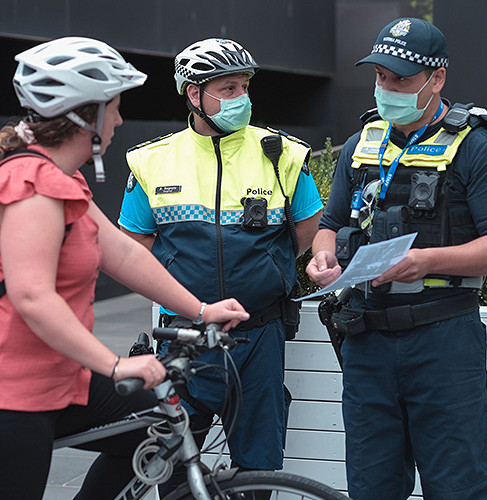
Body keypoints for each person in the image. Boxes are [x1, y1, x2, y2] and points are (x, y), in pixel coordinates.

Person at [0, 36, 250, 500]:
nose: (119, 119)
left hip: (56, 377)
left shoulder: (62, 177)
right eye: (114, 108)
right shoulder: (29, 186)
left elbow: (121, 252)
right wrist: (116, 365)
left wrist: (200, 309)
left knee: (155, 426)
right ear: (86, 116)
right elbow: (33, 297)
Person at [306, 18, 487, 500]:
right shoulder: (360, 146)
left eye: (400, 79)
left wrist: (426, 261)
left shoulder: (475, 146)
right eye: (380, 76)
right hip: (366, 340)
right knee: (371, 486)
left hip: (443, 341)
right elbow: (328, 225)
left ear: (437, 78)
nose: (386, 89)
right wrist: (322, 260)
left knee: (457, 486)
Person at [118, 37, 323, 489]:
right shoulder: (152, 160)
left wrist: (267, 267)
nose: (241, 98)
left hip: (260, 338)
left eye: (244, 87)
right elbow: (133, 243)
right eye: (228, 89)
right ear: (195, 94)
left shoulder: (284, 154)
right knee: (171, 470)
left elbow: (307, 229)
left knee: (259, 470)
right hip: (185, 339)